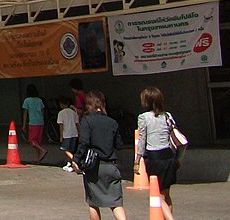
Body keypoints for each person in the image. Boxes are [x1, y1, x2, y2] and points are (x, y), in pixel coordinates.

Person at [72, 90, 128, 220]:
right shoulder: (112, 122)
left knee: (93, 202)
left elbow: (84, 142)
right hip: (111, 166)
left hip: (95, 167)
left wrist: (76, 159)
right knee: (116, 203)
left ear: (89, 105)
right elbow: (119, 145)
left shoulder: (87, 120)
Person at [137, 86, 179, 220]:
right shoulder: (167, 115)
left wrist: (137, 161)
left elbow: (142, 140)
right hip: (169, 156)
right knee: (166, 193)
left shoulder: (143, 117)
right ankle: (168, 216)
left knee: (157, 194)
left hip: (154, 158)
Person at [21, 84, 49, 162]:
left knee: (31, 140)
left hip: (33, 122)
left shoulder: (27, 100)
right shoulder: (39, 100)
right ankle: (38, 159)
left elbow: (25, 113)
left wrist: (24, 125)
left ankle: (43, 150)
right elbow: (43, 111)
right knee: (38, 142)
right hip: (41, 122)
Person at [57, 95, 80, 172]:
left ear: (61, 104)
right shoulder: (73, 112)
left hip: (67, 134)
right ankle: (69, 163)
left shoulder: (61, 113)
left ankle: (75, 161)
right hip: (75, 133)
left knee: (65, 149)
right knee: (72, 149)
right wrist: (79, 133)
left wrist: (60, 136)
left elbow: (61, 125)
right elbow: (77, 123)